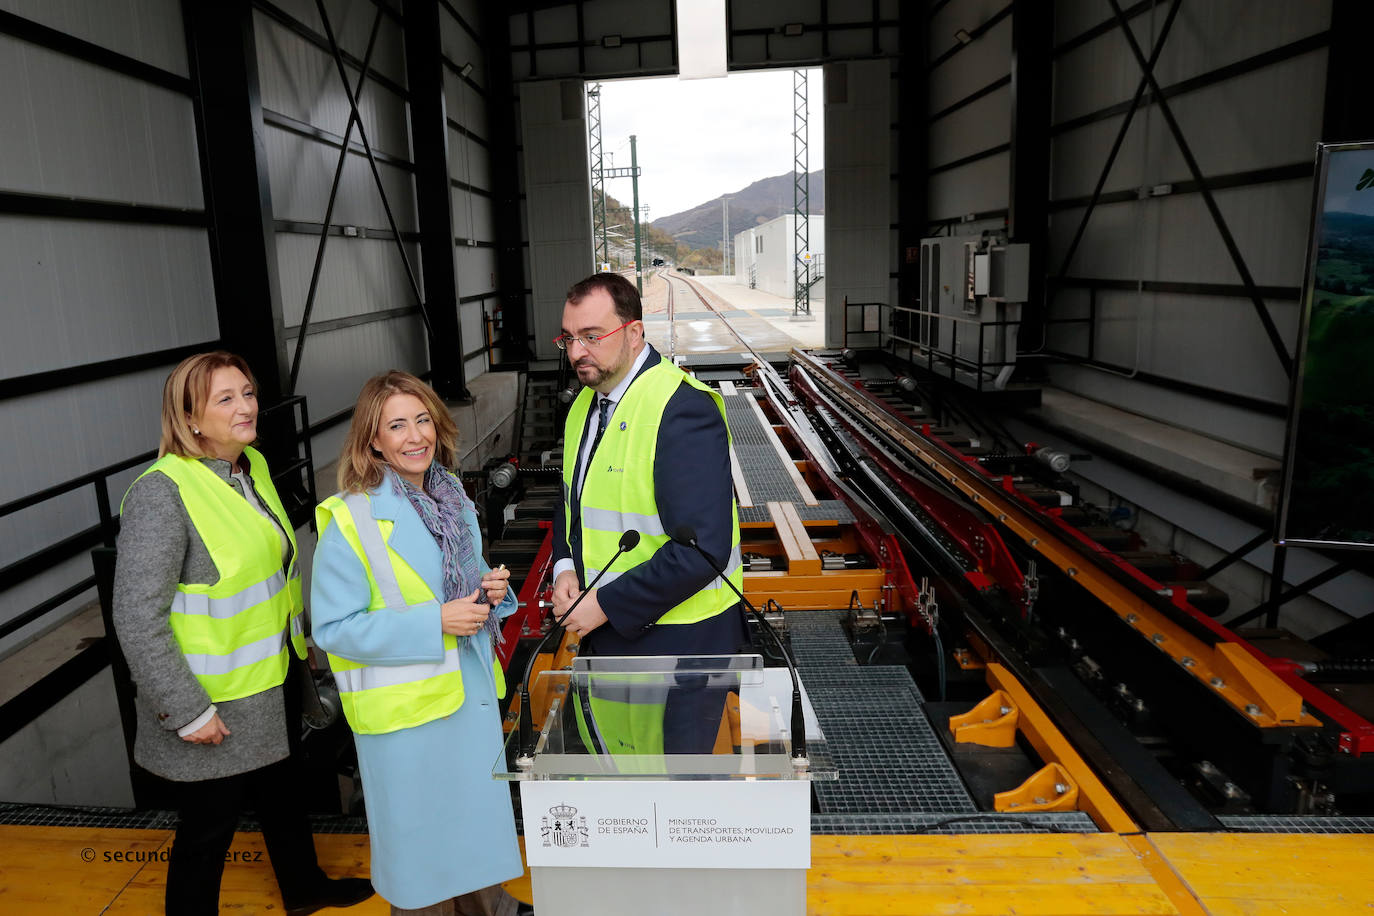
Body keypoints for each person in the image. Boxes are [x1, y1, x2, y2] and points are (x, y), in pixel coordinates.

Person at [113, 351, 373, 916]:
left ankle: (304, 889)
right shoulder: (163, 494)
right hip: (212, 701)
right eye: (225, 399)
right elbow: (136, 616)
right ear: (190, 418)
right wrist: (187, 710)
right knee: (208, 831)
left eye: (248, 392)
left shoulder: (248, 467)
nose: (246, 407)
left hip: (272, 678)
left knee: (285, 798)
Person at [310, 371, 523, 916]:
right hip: (408, 722)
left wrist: (491, 593)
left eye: (422, 420)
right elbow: (334, 629)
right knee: (425, 869)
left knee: (471, 846)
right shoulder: (351, 519)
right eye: (396, 425)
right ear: (372, 440)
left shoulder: (453, 501)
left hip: (464, 701)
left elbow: (464, 589)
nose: (414, 436)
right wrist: (435, 624)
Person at [551, 272, 747, 753]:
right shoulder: (585, 405)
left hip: (685, 648)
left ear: (635, 332)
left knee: (677, 801)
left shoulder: (681, 408)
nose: (577, 352)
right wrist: (565, 568)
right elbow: (574, 498)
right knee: (628, 779)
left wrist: (604, 605)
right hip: (614, 633)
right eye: (569, 338)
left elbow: (702, 552)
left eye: (592, 337)